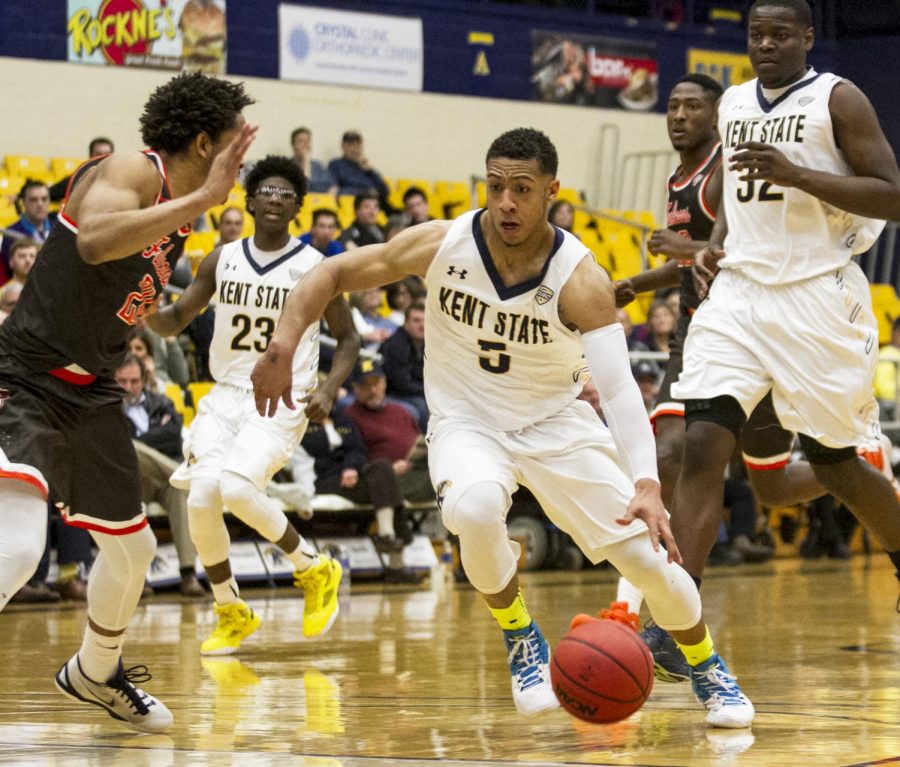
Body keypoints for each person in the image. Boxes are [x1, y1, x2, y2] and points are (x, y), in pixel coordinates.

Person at [252, 127, 754, 728]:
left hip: (556, 424)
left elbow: (619, 391)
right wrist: (283, 342)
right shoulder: (442, 243)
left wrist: (646, 483)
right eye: (495, 187)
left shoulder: (581, 279)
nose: (507, 202)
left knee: (653, 567)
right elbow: (329, 275)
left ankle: (705, 665)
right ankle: (522, 638)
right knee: (473, 509)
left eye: (522, 189)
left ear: (551, 192)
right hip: (468, 422)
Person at [0, 70, 256, 733]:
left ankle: (95, 671)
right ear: (204, 143)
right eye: (234, 147)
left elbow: (125, 297)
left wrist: (179, 314)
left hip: (90, 392)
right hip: (25, 375)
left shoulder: (180, 209)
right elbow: (93, 241)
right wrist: (204, 195)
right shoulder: (130, 172)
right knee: (18, 549)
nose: (240, 164)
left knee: (134, 552)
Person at [672, 0, 900, 647]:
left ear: (806, 36)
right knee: (703, 444)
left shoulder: (839, 99)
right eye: (755, 34)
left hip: (817, 299)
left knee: (835, 466)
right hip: (741, 293)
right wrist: (715, 240)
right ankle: (677, 616)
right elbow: (742, 195)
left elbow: (891, 194)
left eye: (778, 34)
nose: (765, 45)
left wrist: (797, 173)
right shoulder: (735, 103)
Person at [147, 155, 359, 654]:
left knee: (238, 489)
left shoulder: (315, 267)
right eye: (267, 190)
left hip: (280, 397)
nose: (275, 198)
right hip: (224, 395)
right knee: (200, 499)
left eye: (287, 193)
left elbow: (348, 339)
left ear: (298, 207)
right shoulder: (221, 258)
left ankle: (314, 566)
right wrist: (139, 311)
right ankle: (230, 609)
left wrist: (329, 388)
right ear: (251, 199)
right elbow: (177, 318)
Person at [114, 354, 204, 597]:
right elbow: (119, 447)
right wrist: (151, 439)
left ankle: (188, 574)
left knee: (178, 489)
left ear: (143, 380)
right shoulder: (108, 409)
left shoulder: (161, 401)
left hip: (160, 479)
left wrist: (140, 443)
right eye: (122, 381)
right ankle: (138, 578)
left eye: (134, 381)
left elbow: (174, 435)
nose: (129, 387)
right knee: (129, 449)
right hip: (126, 482)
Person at [380, 301, 428, 432]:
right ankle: (425, 445)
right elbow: (401, 384)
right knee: (422, 405)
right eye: (416, 321)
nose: (422, 325)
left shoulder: (424, 343)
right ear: (406, 322)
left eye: (425, 320)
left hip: (411, 391)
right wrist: (429, 390)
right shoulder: (396, 345)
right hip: (390, 393)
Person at [0, 180, 54, 284]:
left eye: (44, 199)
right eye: (34, 200)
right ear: (24, 202)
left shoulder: (58, 228)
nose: (40, 204)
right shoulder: (11, 234)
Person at [327, 130, 391, 204]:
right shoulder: (336, 164)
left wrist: (370, 170)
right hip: (351, 204)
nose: (355, 150)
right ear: (343, 147)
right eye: (351, 146)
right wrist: (368, 193)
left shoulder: (367, 168)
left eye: (358, 146)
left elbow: (385, 191)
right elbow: (336, 190)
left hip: (374, 206)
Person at [48, 137, 115, 203]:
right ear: (90, 157)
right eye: (98, 154)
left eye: (107, 155)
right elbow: (49, 194)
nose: (103, 158)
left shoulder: (119, 179)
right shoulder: (78, 177)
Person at [290, 127, 336, 195]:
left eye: (307, 141)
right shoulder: (288, 166)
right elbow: (303, 188)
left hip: (321, 202)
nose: (305, 144)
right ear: (293, 145)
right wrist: (306, 162)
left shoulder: (317, 166)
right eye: (301, 141)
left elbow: (332, 184)